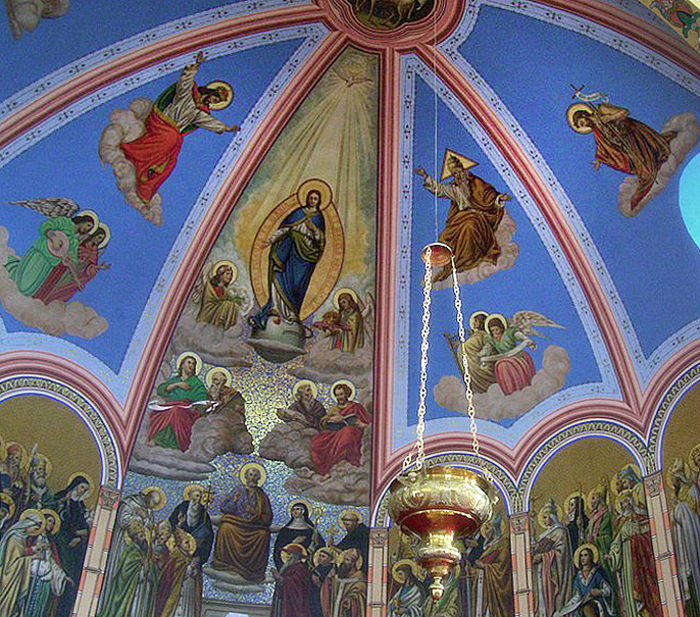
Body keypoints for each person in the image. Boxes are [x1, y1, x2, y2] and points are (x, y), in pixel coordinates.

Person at [120, 51, 239, 205]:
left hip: (172, 132)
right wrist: (196, 65)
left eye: (217, 102)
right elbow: (185, 82)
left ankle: (146, 186)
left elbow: (208, 121)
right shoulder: (188, 95)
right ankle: (132, 151)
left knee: (172, 161)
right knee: (172, 137)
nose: (214, 102)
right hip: (162, 121)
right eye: (215, 98)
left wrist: (226, 128)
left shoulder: (200, 112)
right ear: (211, 92)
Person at [415, 156, 510, 282]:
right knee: (446, 237)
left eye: (458, 171)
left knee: (470, 226)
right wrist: (425, 176)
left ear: (463, 169)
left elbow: (489, 195)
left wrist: (498, 199)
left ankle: (465, 259)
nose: (457, 175)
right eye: (454, 174)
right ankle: (456, 261)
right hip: (460, 218)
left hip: (478, 216)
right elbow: (440, 190)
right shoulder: (455, 188)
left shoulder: (477, 183)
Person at [569, 101, 676, 211]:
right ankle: (636, 200)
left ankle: (637, 199)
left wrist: (608, 118)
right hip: (625, 148)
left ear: (584, 115)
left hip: (633, 135)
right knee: (646, 165)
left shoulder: (601, 109)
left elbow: (624, 112)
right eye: (582, 126)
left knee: (647, 170)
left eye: (582, 122)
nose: (585, 126)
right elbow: (602, 146)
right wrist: (599, 159)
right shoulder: (596, 130)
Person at [250, 188, 326, 329]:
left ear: (319, 201)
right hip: (289, 250)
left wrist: (314, 229)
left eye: (315, 198)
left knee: (297, 285)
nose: (312, 200)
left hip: (305, 258)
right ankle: (275, 308)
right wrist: (271, 240)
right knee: (279, 275)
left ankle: (292, 313)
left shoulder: (319, 219)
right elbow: (285, 229)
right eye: (311, 197)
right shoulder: (298, 213)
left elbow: (320, 241)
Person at [98, 487, 166, 615]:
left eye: (155, 506)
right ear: (148, 497)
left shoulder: (149, 511)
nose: (152, 507)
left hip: (138, 548)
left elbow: (149, 528)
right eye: (152, 503)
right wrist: (139, 518)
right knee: (118, 574)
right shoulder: (129, 503)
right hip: (123, 544)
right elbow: (123, 521)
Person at [5, 213, 97, 297]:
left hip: (49, 264)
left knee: (28, 290)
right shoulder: (65, 222)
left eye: (90, 229)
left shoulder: (74, 241)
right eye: (88, 225)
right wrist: (53, 237)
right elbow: (45, 226)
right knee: (20, 281)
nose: (87, 229)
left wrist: (76, 279)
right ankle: (7, 262)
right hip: (40, 253)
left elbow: (72, 261)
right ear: (83, 221)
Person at [211, 464, 272, 582]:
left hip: (253, 525)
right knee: (225, 528)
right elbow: (224, 508)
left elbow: (267, 517)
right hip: (236, 522)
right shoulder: (238, 490)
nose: (253, 478)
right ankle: (225, 564)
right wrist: (234, 502)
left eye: (255, 475)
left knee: (263, 534)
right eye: (251, 475)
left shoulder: (261, 496)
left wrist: (254, 512)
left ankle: (252, 570)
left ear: (259, 478)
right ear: (246, 476)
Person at [607, 490, 662, 617]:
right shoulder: (620, 522)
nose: (623, 505)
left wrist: (636, 539)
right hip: (626, 558)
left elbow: (650, 537)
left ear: (632, 502)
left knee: (643, 585)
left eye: (626, 501)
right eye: (621, 503)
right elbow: (616, 543)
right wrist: (612, 556)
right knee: (629, 587)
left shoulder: (641, 518)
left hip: (640, 557)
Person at [166, 485, 214, 617]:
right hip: (178, 554)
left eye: (200, 497)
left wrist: (199, 556)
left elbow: (209, 538)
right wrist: (180, 526)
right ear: (190, 495)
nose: (198, 499)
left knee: (190, 589)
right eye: (196, 496)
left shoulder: (203, 513)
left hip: (194, 557)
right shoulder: (181, 508)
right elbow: (170, 528)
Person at [33, 225, 110, 305]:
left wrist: (99, 267)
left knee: (61, 291)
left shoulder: (94, 251)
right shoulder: (81, 242)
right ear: (94, 235)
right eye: (99, 237)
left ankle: (48, 305)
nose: (98, 240)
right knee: (51, 284)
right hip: (65, 268)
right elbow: (70, 251)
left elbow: (90, 266)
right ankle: (37, 300)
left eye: (101, 239)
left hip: (77, 273)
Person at [147, 354, 209, 451]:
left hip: (188, 409)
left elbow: (202, 399)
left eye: (193, 364)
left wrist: (197, 408)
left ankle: (166, 441)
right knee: (157, 413)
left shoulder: (197, 383)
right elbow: (161, 390)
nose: (191, 365)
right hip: (172, 405)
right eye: (189, 363)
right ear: (182, 365)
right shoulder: (174, 380)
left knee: (176, 411)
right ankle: (159, 439)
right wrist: (176, 385)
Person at [96, 520, 158, 617]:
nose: (144, 538)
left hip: (142, 590)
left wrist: (150, 566)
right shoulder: (130, 552)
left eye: (144, 535)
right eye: (141, 535)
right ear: (134, 537)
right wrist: (142, 571)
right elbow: (126, 574)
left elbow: (151, 571)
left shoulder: (143, 552)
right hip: (131, 592)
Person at [310, 382, 371, 479]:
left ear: (347, 394)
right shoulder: (335, 408)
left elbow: (369, 424)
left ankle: (335, 467)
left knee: (347, 433)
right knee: (317, 441)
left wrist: (361, 424)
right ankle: (325, 470)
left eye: (341, 394)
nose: (339, 397)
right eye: (337, 395)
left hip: (354, 433)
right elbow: (323, 421)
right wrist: (331, 419)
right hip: (337, 433)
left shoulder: (356, 406)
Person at [53, 474, 93, 617]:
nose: (82, 491)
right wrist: (75, 533)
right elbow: (56, 518)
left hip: (75, 547)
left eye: (85, 490)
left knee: (73, 578)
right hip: (60, 541)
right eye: (82, 487)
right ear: (75, 485)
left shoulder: (81, 507)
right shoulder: (61, 498)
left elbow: (84, 527)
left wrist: (81, 534)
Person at [533, 499, 574, 617]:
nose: (544, 520)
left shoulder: (560, 531)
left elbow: (562, 553)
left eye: (545, 517)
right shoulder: (545, 534)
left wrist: (543, 556)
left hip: (553, 572)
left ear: (552, 516)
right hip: (542, 572)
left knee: (552, 596)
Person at [0, 511, 46, 617]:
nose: (36, 531)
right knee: (6, 601)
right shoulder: (14, 537)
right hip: (8, 576)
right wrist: (32, 557)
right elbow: (12, 562)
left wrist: (36, 549)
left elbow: (22, 552)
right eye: (35, 528)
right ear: (28, 524)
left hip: (15, 576)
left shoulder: (21, 537)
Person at [479, 314, 537, 395]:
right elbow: (487, 348)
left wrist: (526, 340)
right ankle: (511, 392)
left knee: (506, 365)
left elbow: (519, 335)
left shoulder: (509, 333)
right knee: (501, 366)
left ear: (501, 328)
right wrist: (482, 354)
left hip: (515, 355)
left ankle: (521, 388)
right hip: (502, 358)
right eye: (493, 330)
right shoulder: (491, 339)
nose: (495, 332)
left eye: (496, 329)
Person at [467, 516, 514, 617]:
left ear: (495, 528)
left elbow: (502, 566)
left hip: (494, 588)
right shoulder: (487, 546)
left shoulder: (503, 543)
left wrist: (484, 566)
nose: (485, 532)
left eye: (488, 528)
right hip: (484, 585)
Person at [553, 545, 614, 617]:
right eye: (581, 556)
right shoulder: (578, 577)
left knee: (588, 608)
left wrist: (599, 592)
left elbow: (608, 590)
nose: (583, 558)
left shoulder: (597, 574)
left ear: (591, 557)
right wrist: (567, 607)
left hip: (595, 605)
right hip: (582, 605)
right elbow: (577, 596)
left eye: (585, 555)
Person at [153, 526, 198, 617]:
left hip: (182, 591)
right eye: (186, 543)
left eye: (189, 542)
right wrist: (190, 568)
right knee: (170, 609)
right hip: (172, 588)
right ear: (179, 544)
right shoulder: (177, 555)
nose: (189, 545)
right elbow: (175, 573)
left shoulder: (187, 557)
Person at [272, 501, 325, 570]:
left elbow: (320, 546)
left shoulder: (311, 530)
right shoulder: (285, 530)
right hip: (288, 564)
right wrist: (293, 542)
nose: (295, 511)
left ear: (303, 511)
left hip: (305, 565)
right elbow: (278, 549)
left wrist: (315, 543)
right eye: (293, 510)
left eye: (297, 509)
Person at [195, 263, 243, 330]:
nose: (230, 276)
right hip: (209, 311)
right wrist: (224, 304)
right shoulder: (210, 286)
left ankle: (225, 326)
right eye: (227, 274)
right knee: (228, 304)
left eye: (231, 274)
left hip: (219, 311)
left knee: (233, 305)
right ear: (220, 275)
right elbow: (208, 301)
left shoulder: (225, 290)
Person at [270, 543, 313, 617]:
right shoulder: (289, 567)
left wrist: (280, 578)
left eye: (289, 554)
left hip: (295, 602)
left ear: (296, 556)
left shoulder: (300, 568)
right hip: (286, 600)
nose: (287, 556)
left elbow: (295, 584)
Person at [320, 548, 367, 617]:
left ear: (353, 563)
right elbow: (330, 591)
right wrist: (329, 579)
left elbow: (360, 595)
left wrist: (350, 601)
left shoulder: (359, 578)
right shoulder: (339, 575)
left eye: (347, 560)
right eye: (344, 559)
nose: (344, 562)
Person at [460, 311, 496, 394]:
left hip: (481, 363)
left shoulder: (484, 335)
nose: (474, 323)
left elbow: (488, 348)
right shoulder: (475, 335)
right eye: (474, 321)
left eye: (476, 321)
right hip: (474, 362)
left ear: (481, 322)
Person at [334, 510, 369, 574]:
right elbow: (342, 546)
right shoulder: (351, 534)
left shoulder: (361, 532)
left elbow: (349, 546)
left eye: (348, 524)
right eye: (345, 525)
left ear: (355, 522)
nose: (346, 527)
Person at [310, 547, 336, 617]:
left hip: (324, 597)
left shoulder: (331, 570)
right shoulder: (317, 568)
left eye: (323, 556)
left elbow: (332, 585)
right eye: (320, 555)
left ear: (329, 559)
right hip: (314, 595)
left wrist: (320, 583)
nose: (320, 558)